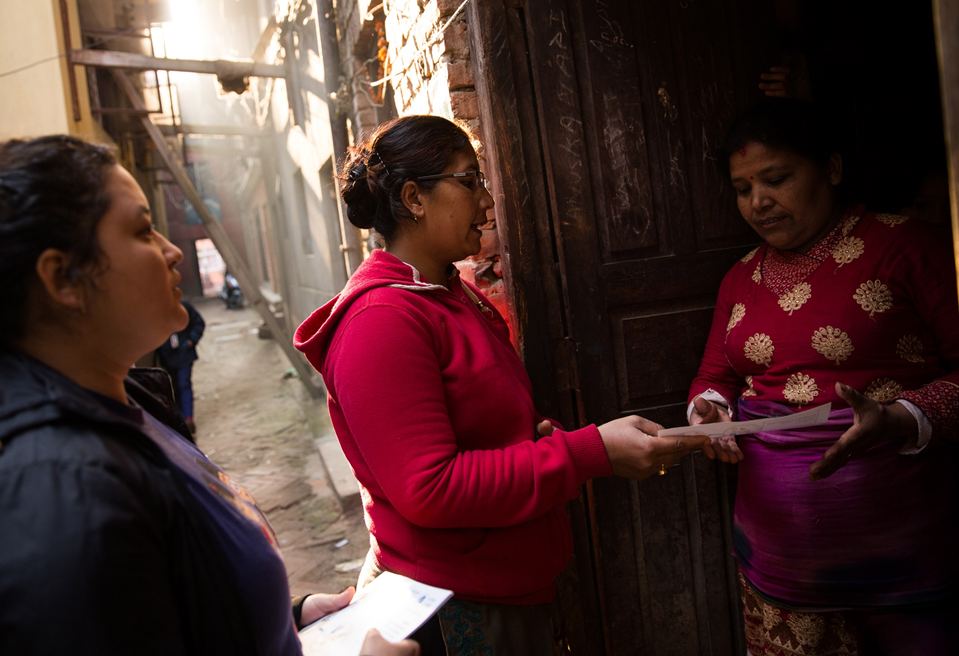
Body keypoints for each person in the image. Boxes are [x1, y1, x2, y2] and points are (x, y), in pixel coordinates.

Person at [0, 136, 416, 656]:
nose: (171, 249)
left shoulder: (116, 400)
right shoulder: (53, 496)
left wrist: (283, 619)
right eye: (141, 230)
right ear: (62, 278)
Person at [294, 116, 710, 656]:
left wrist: (538, 439)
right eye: (469, 181)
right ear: (414, 198)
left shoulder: (446, 294)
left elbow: (482, 428)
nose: (487, 201)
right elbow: (431, 488)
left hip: (499, 582)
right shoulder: (381, 321)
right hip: (454, 602)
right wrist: (588, 452)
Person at [688, 99, 959, 655]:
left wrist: (903, 417)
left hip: (908, 563)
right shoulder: (740, 278)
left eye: (777, 179)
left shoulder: (909, 248)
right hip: (780, 570)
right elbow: (714, 378)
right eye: (743, 189)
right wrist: (708, 412)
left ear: (831, 170)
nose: (759, 202)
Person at [157, 300, 205, 433]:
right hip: (168, 358)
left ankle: (188, 418)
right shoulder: (155, 312)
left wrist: (190, 342)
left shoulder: (184, 308)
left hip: (184, 355)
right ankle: (180, 418)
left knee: (184, 384)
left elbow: (198, 323)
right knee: (175, 387)